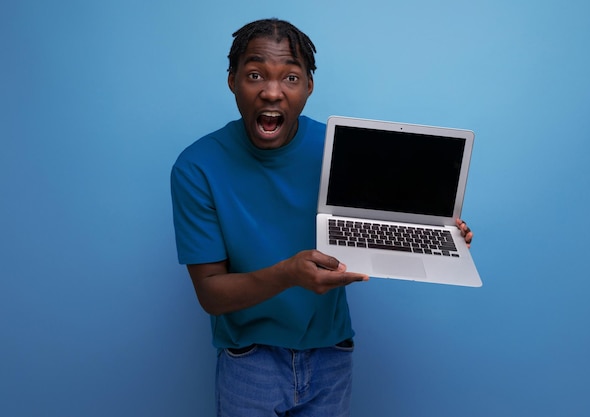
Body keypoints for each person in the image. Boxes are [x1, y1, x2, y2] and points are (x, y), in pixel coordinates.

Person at [171, 18, 473, 417]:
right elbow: (210, 293)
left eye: (291, 78)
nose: (272, 92)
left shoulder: (339, 150)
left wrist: (436, 231)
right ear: (232, 80)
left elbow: (383, 220)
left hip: (331, 354)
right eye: (256, 75)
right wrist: (288, 274)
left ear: (309, 87)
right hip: (249, 360)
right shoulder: (197, 167)